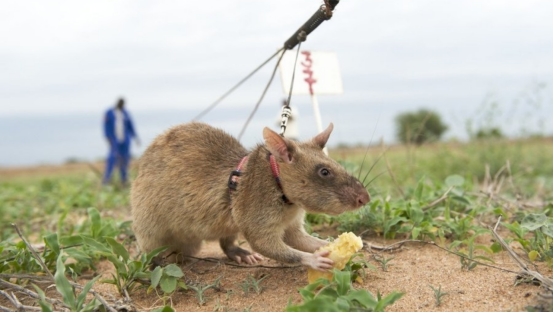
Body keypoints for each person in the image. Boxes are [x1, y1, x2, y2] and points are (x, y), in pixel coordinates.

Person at [102, 98, 140, 185]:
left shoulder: (126, 113)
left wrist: (136, 137)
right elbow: (105, 126)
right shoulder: (109, 112)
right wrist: (108, 137)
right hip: (114, 140)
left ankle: (124, 180)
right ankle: (107, 179)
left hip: (125, 140)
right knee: (112, 158)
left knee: (125, 159)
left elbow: (131, 126)